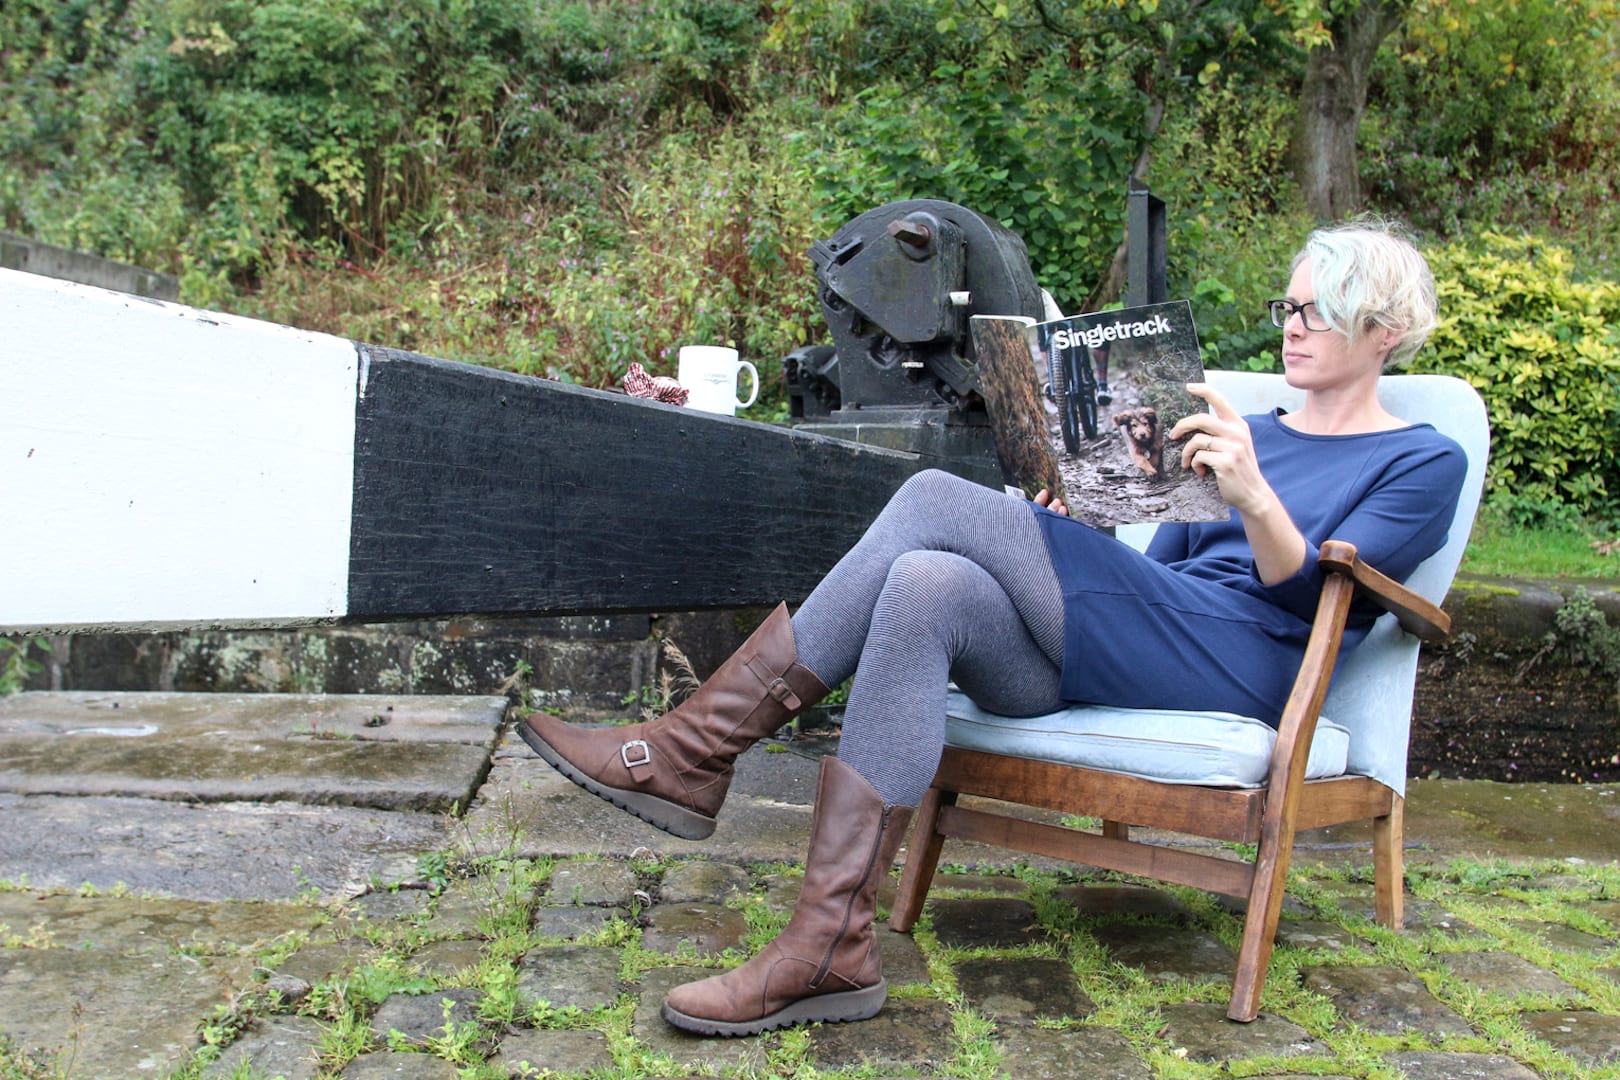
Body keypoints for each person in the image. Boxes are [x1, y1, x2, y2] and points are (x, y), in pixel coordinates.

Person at [519, 217, 1467, 1037]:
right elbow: (1159, 572)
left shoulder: (1421, 459)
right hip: (1145, 638)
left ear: (1382, 331)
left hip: (1245, 661)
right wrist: (1061, 530)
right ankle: (830, 944)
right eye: (1288, 307)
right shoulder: (1241, 428)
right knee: (926, 582)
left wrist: (1251, 492)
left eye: (1316, 312)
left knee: (934, 496)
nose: (1292, 326)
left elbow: (1308, 598)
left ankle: (693, 750)